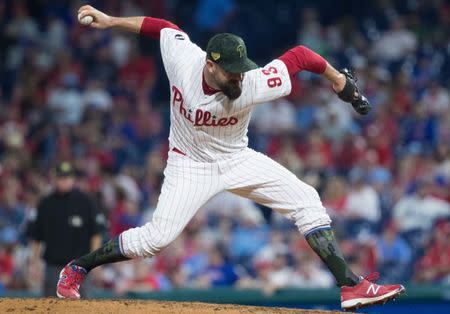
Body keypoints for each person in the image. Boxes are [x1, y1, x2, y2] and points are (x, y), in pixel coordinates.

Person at [57, 5, 404, 310]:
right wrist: (112, 20)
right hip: (189, 164)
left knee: (306, 198)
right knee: (155, 240)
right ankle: (78, 268)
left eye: (242, 68)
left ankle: (350, 285)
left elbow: (300, 56)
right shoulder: (184, 61)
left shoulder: (252, 83)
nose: (239, 76)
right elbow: (162, 27)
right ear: (210, 65)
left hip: (237, 158)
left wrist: (337, 79)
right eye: (231, 70)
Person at [28, 162, 105, 297]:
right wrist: (33, 262)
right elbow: (36, 236)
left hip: (79, 267)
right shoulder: (45, 203)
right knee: (51, 306)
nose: (65, 181)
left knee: (82, 306)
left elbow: (96, 233)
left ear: (73, 179)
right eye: (61, 177)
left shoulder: (85, 201)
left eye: (68, 177)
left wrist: (95, 262)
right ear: (54, 179)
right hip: (53, 266)